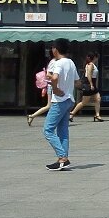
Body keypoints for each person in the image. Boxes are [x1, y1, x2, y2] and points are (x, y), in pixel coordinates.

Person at [43, 38, 79, 171]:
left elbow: (55, 77)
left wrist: (56, 89)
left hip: (59, 101)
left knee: (47, 130)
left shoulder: (59, 63)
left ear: (55, 49)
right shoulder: (71, 62)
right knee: (63, 131)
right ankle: (63, 160)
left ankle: (62, 157)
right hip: (69, 99)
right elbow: (78, 82)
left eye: (52, 47)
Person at [71, 52, 104, 122]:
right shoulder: (90, 65)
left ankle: (97, 115)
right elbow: (88, 75)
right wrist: (91, 84)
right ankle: (72, 113)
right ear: (95, 57)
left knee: (98, 99)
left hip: (92, 84)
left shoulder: (91, 65)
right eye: (97, 57)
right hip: (88, 84)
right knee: (84, 102)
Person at [26, 55, 51, 126]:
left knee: (51, 106)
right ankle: (32, 116)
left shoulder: (50, 65)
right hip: (51, 87)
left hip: (50, 87)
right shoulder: (52, 65)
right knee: (49, 106)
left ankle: (32, 116)